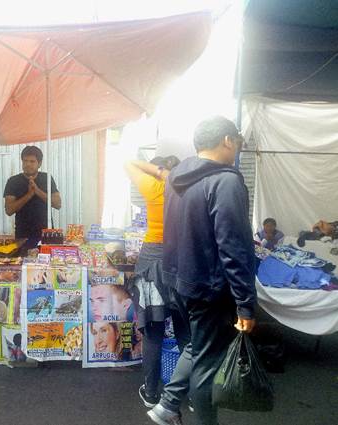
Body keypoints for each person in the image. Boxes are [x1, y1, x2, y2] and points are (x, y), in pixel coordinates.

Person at [148, 116, 256, 425]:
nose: (237, 148)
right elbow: (233, 246)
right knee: (207, 364)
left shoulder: (177, 176)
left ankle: (168, 405)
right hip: (209, 287)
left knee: (197, 346)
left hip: (178, 281)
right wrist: (245, 302)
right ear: (227, 140)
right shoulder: (226, 181)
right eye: (237, 141)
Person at [125, 155, 189, 409]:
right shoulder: (189, 191)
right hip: (183, 263)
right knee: (186, 333)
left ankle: (151, 393)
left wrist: (157, 172)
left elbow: (128, 162)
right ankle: (191, 394)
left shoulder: (154, 187)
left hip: (152, 263)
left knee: (154, 334)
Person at [4, 146, 61, 249]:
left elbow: (57, 204)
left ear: (39, 164)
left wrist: (37, 191)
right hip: (22, 235)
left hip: (46, 233)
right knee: (23, 258)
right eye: (25, 161)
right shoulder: (13, 181)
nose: (28, 164)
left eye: (32, 161)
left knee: (47, 258)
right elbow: (9, 210)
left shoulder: (47, 178)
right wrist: (29, 194)